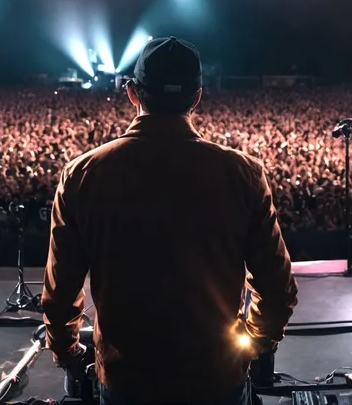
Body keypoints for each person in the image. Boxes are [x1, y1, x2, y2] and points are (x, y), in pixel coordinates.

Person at [42, 37, 299, 405]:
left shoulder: (83, 174)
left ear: (132, 93)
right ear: (196, 97)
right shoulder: (242, 173)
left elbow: (61, 289)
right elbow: (277, 288)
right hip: (216, 378)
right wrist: (255, 342)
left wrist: (68, 353)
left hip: (126, 380)